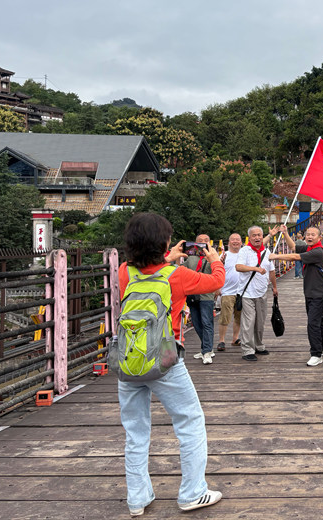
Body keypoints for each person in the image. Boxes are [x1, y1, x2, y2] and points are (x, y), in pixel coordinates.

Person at [117, 212, 224, 515]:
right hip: (165, 360)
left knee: (136, 432)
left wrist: (167, 255)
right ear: (163, 242)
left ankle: (137, 499)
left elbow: (147, 268)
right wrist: (215, 257)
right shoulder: (175, 275)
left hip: (128, 361)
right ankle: (192, 492)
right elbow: (217, 281)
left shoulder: (124, 271)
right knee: (190, 422)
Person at [270, 225, 323, 366]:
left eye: (313, 235)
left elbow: (295, 257)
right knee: (318, 320)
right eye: (308, 234)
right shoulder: (309, 248)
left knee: (312, 323)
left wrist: (276, 256)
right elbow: (293, 248)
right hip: (310, 292)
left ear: (319, 237)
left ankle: (316, 354)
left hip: (318, 293)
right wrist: (285, 233)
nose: (309, 237)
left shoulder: (318, 252)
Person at [235, 226, 277, 362]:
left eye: (259, 235)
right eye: (254, 235)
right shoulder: (244, 251)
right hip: (247, 293)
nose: (257, 237)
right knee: (249, 321)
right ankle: (247, 349)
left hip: (261, 292)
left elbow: (271, 271)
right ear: (249, 237)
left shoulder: (267, 251)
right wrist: (255, 269)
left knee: (260, 321)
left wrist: (275, 287)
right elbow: (238, 267)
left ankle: (259, 345)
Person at [184, 234, 217, 364]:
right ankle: (206, 348)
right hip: (192, 293)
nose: (203, 243)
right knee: (197, 323)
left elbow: (218, 271)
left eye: (206, 241)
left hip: (206, 294)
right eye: (200, 241)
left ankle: (207, 351)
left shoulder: (213, 256)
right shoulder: (190, 257)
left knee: (207, 322)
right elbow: (181, 270)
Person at [216, 233, 242, 351]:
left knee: (239, 316)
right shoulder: (224, 255)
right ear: (229, 242)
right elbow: (217, 271)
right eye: (233, 240)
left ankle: (235, 338)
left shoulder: (244, 254)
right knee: (225, 316)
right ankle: (221, 340)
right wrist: (218, 287)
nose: (235, 242)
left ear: (241, 242)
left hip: (241, 291)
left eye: (238, 240)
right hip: (227, 291)